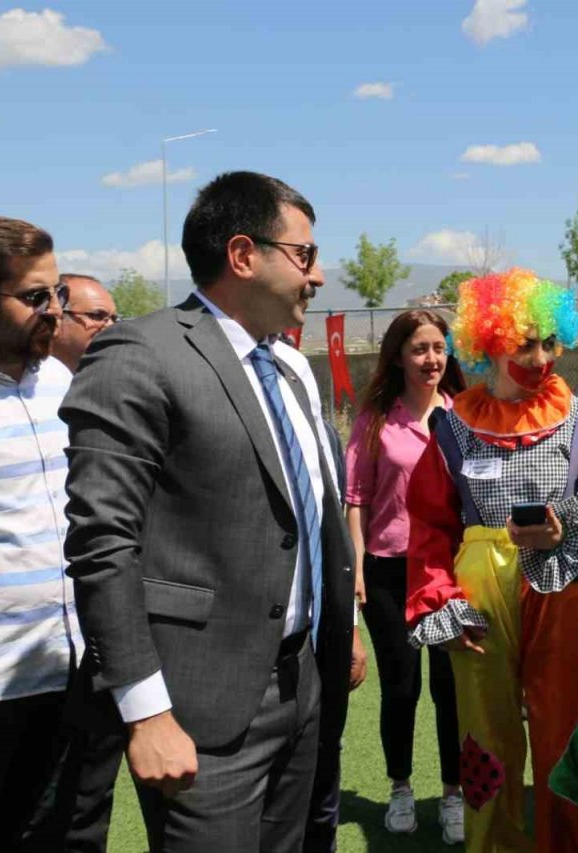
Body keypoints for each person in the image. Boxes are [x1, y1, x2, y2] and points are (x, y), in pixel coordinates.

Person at [60, 171, 356, 853]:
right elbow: (104, 543)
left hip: (302, 683)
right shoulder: (142, 351)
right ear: (244, 254)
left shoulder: (289, 367)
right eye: (305, 254)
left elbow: (313, 518)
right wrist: (146, 711)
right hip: (198, 706)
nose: (316, 276)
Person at [406, 268, 578, 853]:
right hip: (481, 597)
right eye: (523, 342)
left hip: (564, 589)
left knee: (570, 735)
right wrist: (440, 601)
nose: (540, 356)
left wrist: (569, 533)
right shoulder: (452, 428)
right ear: (488, 344)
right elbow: (428, 527)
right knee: (485, 738)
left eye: (549, 341)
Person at [344, 308, 466, 842]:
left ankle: (454, 794)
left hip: (449, 571)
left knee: (451, 689)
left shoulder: (463, 415)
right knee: (401, 686)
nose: (431, 359)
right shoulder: (374, 421)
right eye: (419, 348)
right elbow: (357, 500)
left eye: (439, 347)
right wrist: (356, 567)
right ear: (398, 356)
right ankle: (400, 788)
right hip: (389, 570)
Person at [0, 217, 78, 850]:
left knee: (64, 833)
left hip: (74, 664)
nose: (53, 311)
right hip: (2, 680)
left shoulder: (61, 385)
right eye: (34, 297)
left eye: (58, 296)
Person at [304, 412, 370, 853]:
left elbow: (335, 535)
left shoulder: (318, 425)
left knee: (324, 773)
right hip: (248, 652)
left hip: (324, 634)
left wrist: (349, 627)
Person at [52, 274, 118, 373]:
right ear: (56, 318)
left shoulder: (113, 380)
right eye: (97, 315)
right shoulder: (29, 383)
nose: (111, 326)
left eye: (114, 319)